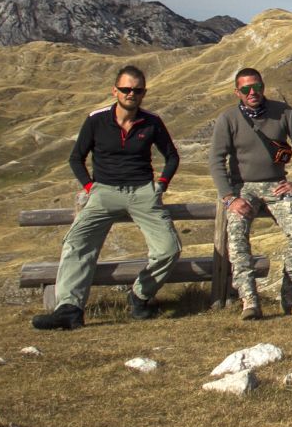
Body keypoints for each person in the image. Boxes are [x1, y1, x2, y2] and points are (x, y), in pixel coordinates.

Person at [32, 65, 181, 330]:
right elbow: (76, 157)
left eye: (137, 90)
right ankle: (69, 309)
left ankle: (139, 296)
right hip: (104, 192)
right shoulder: (96, 120)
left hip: (142, 192)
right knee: (77, 244)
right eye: (125, 89)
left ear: (143, 93)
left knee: (169, 248)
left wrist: (161, 185)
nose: (131, 94)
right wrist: (90, 187)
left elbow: (171, 156)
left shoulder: (152, 122)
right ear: (115, 91)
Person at [208, 67, 292, 320]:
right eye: (246, 89)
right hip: (241, 187)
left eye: (256, 86)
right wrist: (229, 197)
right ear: (237, 92)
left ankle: (289, 296)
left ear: (263, 86)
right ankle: (249, 300)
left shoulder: (283, 112)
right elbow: (215, 159)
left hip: (277, 184)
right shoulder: (229, 118)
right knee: (236, 234)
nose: (252, 92)